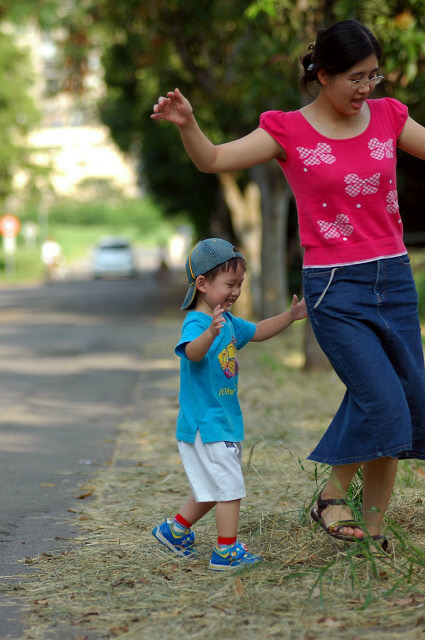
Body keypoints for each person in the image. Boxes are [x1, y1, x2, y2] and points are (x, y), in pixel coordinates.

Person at [151, 19, 425, 555]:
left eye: (373, 76)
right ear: (322, 74)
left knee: (403, 398)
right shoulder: (288, 130)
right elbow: (212, 159)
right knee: (386, 402)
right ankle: (331, 497)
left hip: (393, 278)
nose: (366, 89)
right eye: (354, 78)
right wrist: (188, 124)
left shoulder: (389, 117)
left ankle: (371, 533)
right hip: (334, 288)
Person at [152, 238, 307, 570]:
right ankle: (226, 551)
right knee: (229, 488)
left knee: (212, 489)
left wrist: (290, 316)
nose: (236, 291)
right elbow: (191, 353)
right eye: (230, 284)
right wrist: (210, 332)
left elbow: (260, 330)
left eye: (240, 284)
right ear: (203, 284)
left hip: (220, 420)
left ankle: (175, 530)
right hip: (204, 424)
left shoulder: (228, 320)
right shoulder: (198, 322)